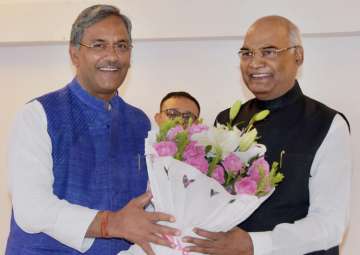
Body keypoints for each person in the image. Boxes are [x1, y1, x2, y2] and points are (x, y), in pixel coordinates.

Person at [5, 5, 179, 255]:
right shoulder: (37, 115)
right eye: (98, 45)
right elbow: (33, 208)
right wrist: (111, 223)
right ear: (74, 53)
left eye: (122, 46)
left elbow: (153, 206)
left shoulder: (142, 124)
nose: (112, 56)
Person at [183, 15, 351, 255]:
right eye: (247, 53)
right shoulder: (227, 120)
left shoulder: (326, 124)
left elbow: (329, 226)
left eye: (269, 51)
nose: (254, 63)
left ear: (298, 55)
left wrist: (254, 244)